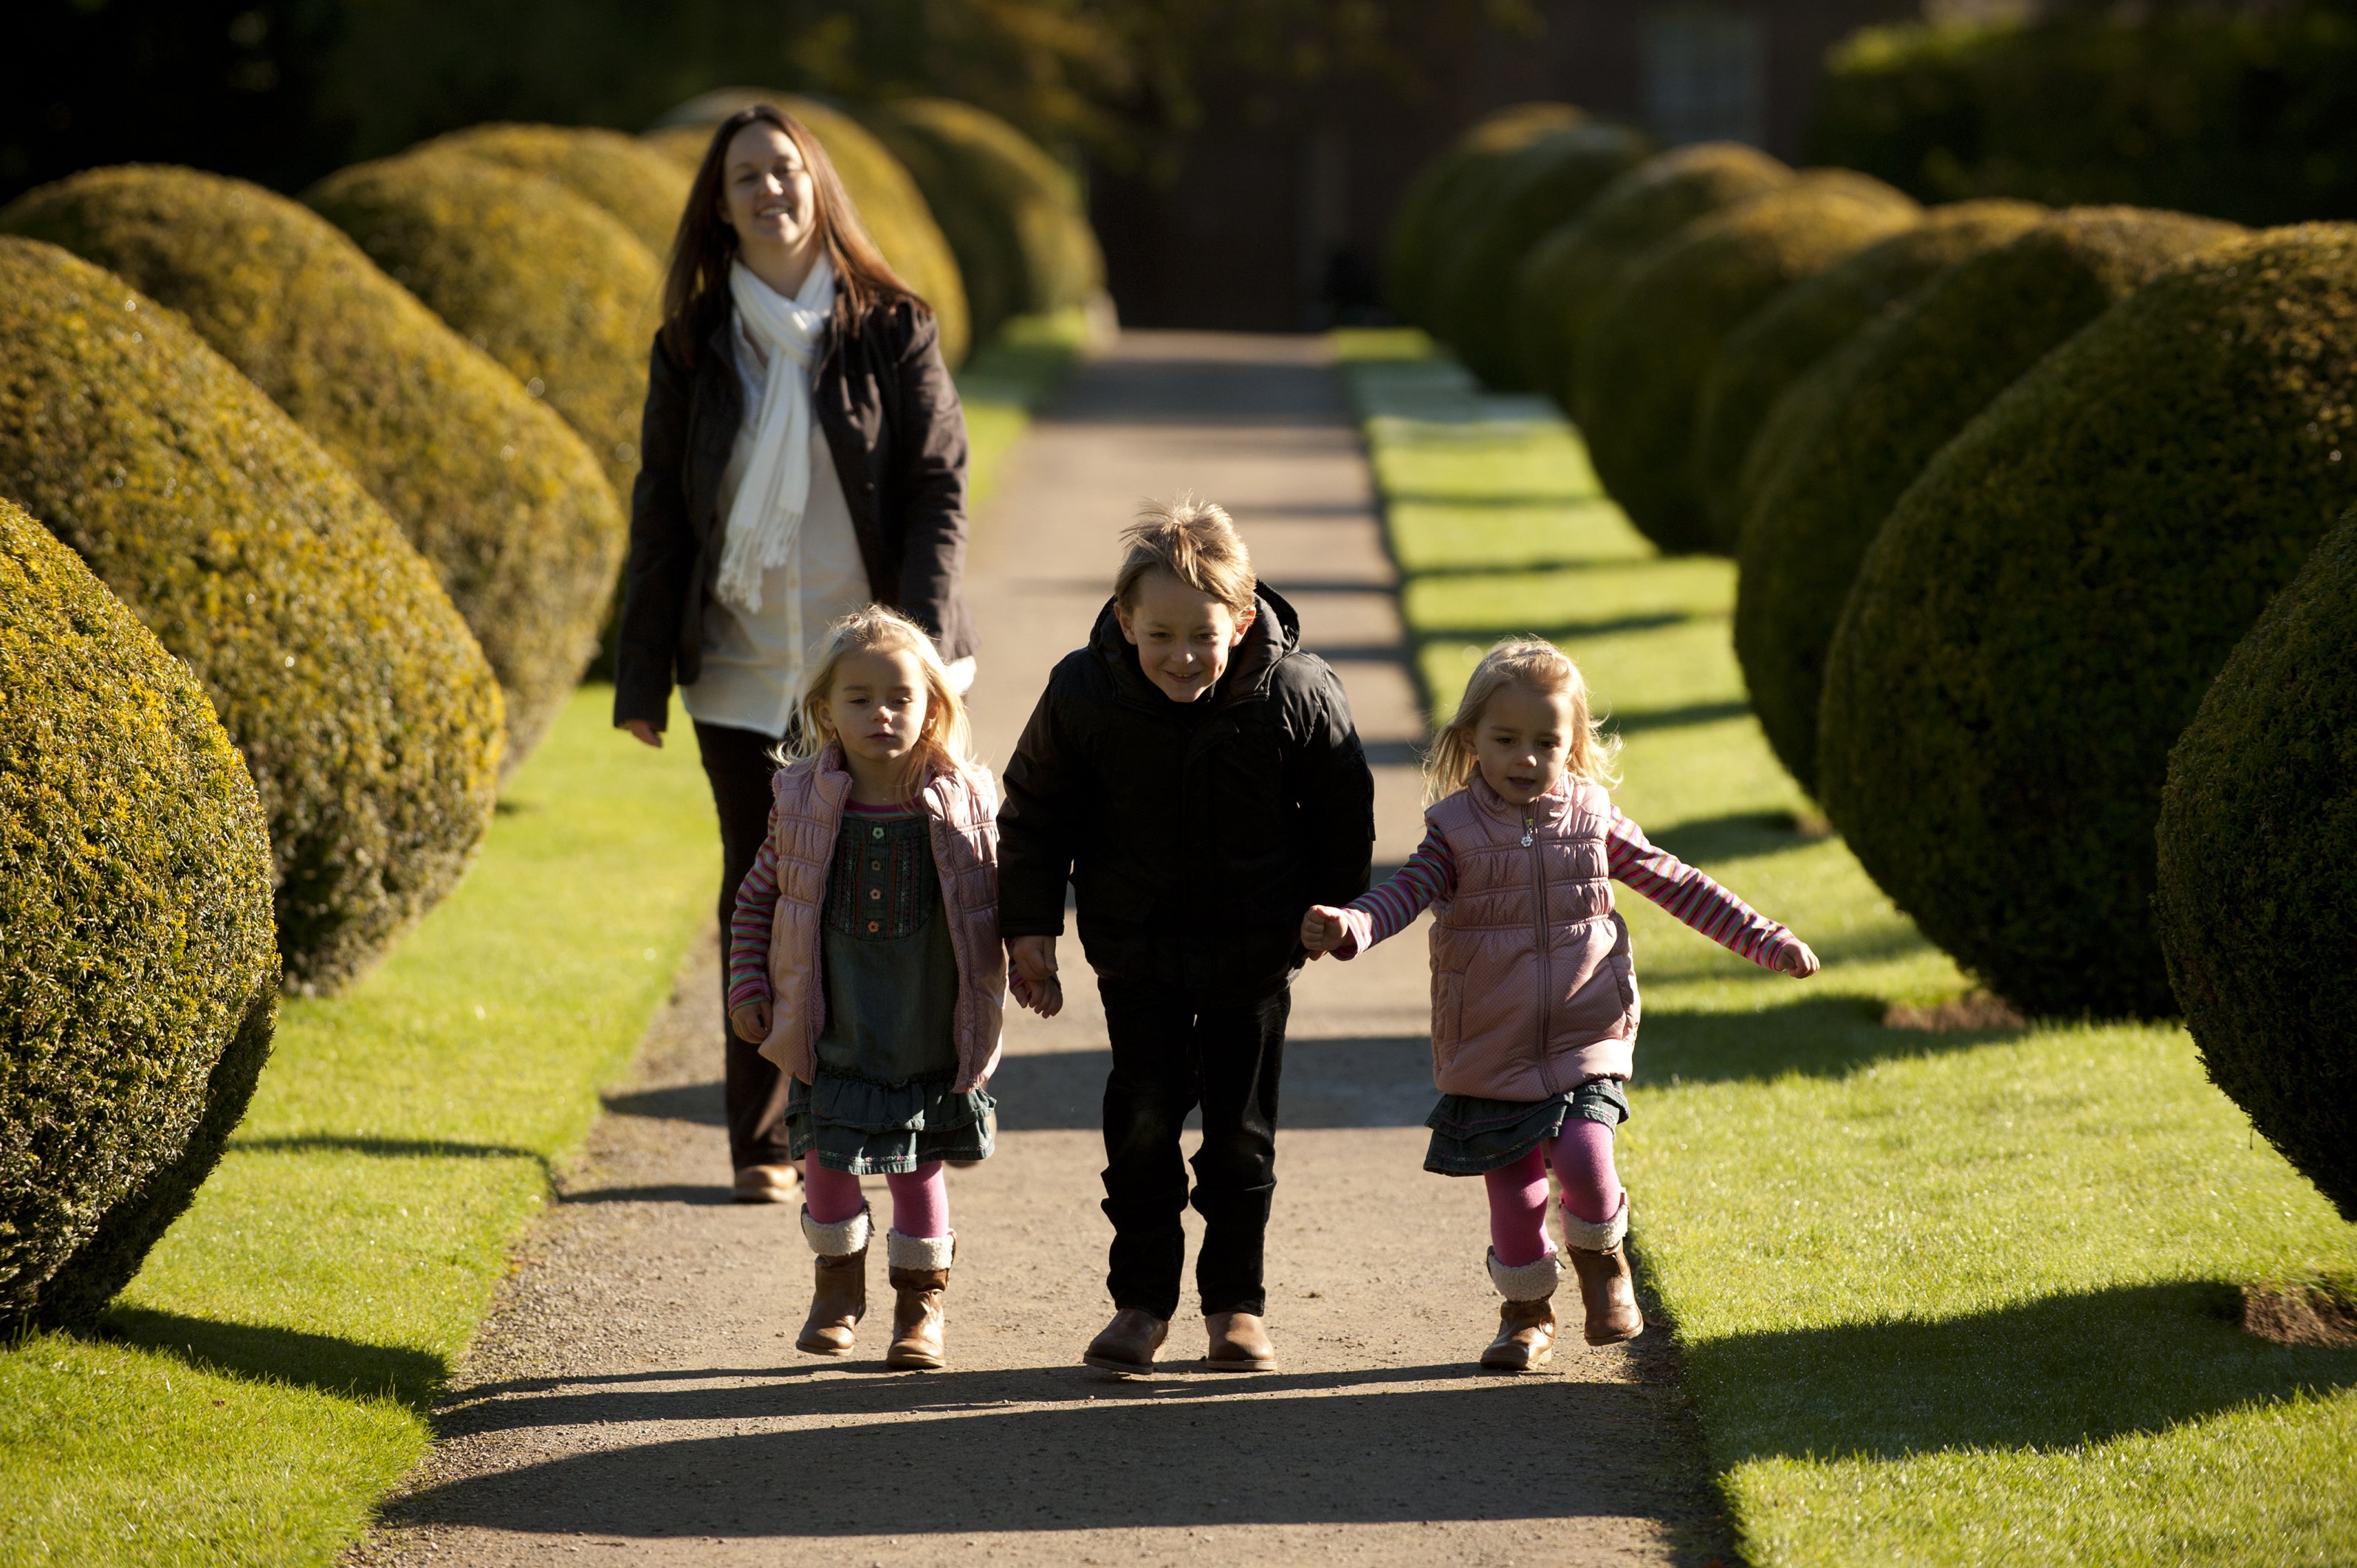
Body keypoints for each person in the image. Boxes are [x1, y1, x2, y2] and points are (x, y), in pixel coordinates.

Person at [614, 103, 977, 1206]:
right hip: (739, 664)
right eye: (745, 180)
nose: (770, 191)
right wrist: (638, 677)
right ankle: (762, 1140)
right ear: (718, 210)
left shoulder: (891, 324)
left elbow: (936, 489)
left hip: (872, 680)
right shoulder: (692, 345)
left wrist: (910, 651)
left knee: (892, 893)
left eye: (784, 170)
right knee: (762, 891)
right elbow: (663, 512)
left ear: (817, 184)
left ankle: (894, 1119)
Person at [1300, 638, 1819, 1372]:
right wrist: (1350, 927)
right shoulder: (1454, 831)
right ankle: (1525, 1312)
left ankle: (1603, 1263)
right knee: (1514, 1193)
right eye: (1506, 740)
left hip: (1586, 1028)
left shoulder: (1593, 818)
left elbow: (1679, 883)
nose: (1526, 757)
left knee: (1583, 1151)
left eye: (1547, 741)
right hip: (1491, 1039)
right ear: (1471, 740)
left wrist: (1767, 939)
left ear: (1572, 744)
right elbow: (1401, 895)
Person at [998, 497, 1376, 1375]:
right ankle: (1141, 1304)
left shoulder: (1296, 694)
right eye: (1159, 634)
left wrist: (1333, 906)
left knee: (1240, 1139)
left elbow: (1341, 809)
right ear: (1126, 621)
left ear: (1241, 623)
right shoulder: (1084, 692)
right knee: (1141, 1126)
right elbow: (1036, 813)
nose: (1181, 656)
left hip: (1252, 955)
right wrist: (1030, 930)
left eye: (1202, 636)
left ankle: (1235, 1307)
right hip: (1136, 952)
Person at [724, 607, 1027, 1369]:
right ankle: (836, 1289)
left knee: (917, 1165)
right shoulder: (801, 801)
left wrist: (1030, 964)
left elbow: (999, 901)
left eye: (899, 697)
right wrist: (749, 981)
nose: (881, 713)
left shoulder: (962, 803)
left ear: (933, 706)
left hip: (925, 1021)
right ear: (825, 712)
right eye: (859, 699)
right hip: (833, 1021)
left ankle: (921, 1309)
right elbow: (760, 897)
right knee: (826, 1157)